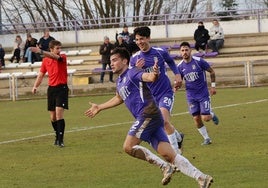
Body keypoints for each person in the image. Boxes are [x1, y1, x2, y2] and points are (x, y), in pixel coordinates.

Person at [85, 47, 213, 187]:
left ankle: (165, 167)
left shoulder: (133, 72)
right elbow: (118, 98)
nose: (111, 63)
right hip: (152, 118)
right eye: (110, 61)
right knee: (170, 156)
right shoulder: (120, 81)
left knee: (128, 147)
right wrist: (100, 107)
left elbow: (149, 77)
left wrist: (155, 74)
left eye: (115, 60)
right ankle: (202, 178)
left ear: (124, 61)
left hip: (147, 114)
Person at [129, 26, 184, 155]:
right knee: (161, 124)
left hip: (165, 92)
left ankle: (176, 155)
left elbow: (170, 61)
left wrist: (177, 75)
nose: (139, 42)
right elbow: (131, 78)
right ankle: (178, 136)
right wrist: (135, 69)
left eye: (141, 39)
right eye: (137, 40)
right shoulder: (134, 59)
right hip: (149, 98)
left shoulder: (160, 52)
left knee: (164, 122)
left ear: (148, 38)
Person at [176, 41, 219, 145]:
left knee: (206, 118)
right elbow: (179, 80)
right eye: (182, 50)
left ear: (190, 50)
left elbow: (212, 72)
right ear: (180, 52)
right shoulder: (180, 66)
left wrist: (213, 87)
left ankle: (211, 114)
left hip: (203, 94)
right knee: (196, 118)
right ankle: (207, 139)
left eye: (186, 50)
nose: (185, 52)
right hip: (191, 96)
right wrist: (176, 86)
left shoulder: (199, 61)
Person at [31, 40, 68, 147]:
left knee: (59, 113)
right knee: (52, 117)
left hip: (62, 88)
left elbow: (56, 57)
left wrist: (40, 51)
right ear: (51, 49)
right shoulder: (46, 61)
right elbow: (41, 75)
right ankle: (57, 135)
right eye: (57, 48)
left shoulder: (63, 57)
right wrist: (35, 86)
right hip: (51, 90)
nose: (59, 50)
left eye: (60, 48)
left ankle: (60, 140)